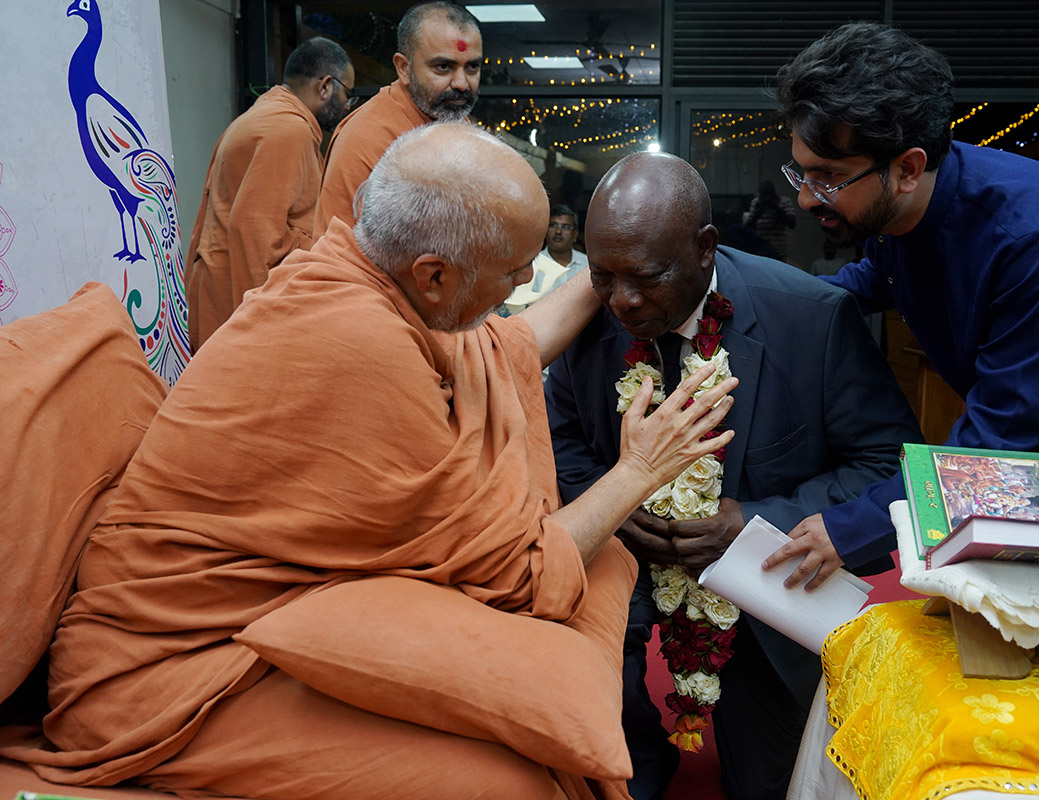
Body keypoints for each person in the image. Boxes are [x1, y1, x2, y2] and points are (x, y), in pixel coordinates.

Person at [4, 125, 738, 800]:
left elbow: (506, 348)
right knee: (505, 786)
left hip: (250, 622)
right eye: (516, 271)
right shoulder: (355, 343)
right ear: (434, 276)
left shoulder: (357, 272)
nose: (525, 286)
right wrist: (638, 471)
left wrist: (616, 268)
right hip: (170, 668)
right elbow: (518, 576)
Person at [764, 22, 1039, 590]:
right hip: (1031, 425)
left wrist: (852, 526)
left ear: (908, 168)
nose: (804, 198)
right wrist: (764, 297)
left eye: (829, 178)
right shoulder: (899, 204)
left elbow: (998, 439)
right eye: (801, 171)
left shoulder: (1034, 236)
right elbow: (870, 278)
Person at [545, 151, 921, 800]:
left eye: (646, 277)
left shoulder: (810, 317)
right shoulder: (587, 316)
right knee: (610, 751)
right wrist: (615, 506)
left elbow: (892, 464)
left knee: (766, 781)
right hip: (624, 561)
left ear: (704, 248)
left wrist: (752, 522)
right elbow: (561, 440)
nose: (623, 301)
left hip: (755, 583)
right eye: (604, 276)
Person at [184, 36, 354, 352]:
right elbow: (255, 233)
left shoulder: (264, 117)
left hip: (223, 299)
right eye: (348, 94)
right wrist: (263, 330)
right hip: (244, 311)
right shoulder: (288, 131)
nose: (347, 106)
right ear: (326, 86)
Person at [313, 1, 482, 237]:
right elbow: (337, 248)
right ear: (403, 68)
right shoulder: (364, 138)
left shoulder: (457, 123)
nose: (462, 83)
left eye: (472, 67)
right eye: (443, 67)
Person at [502, 204, 589, 317]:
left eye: (565, 227)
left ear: (575, 234)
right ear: (545, 231)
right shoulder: (530, 266)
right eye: (553, 225)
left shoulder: (588, 265)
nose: (558, 231)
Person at [744, 180, 796, 261]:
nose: (767, 198)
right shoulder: (755, 202)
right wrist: (759, 211)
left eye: (769, 194)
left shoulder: (784, 201)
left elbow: (792, 223)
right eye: (764, 195)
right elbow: (748, 227)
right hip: (760, 250)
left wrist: (775, 207)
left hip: (778, 250)